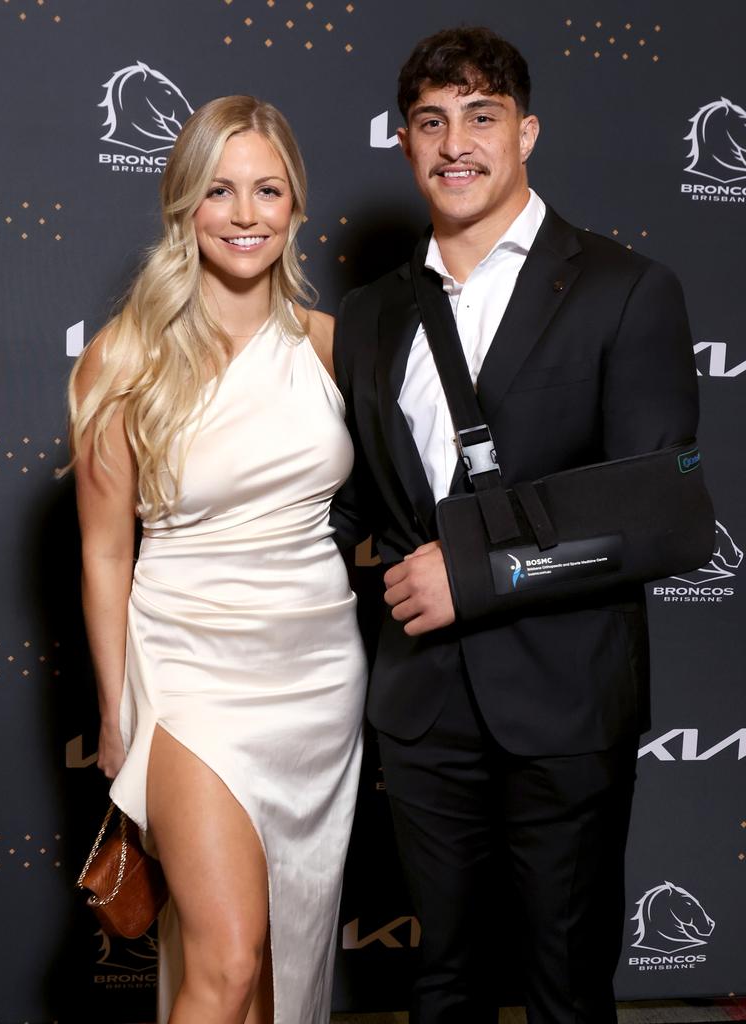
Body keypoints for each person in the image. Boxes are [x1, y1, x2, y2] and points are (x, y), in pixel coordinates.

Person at [331, 27, 701, 1024]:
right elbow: (355, 502)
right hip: (419, 708)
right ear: (405, 144)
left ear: (527, 132)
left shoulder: (627, 290)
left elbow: (666, 515)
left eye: (482, 116)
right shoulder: (369, 315)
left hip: (569, 704)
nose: (457, 143)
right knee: (441, 982)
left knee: (562, 989)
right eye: (432, 121)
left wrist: (478, 571)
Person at [68, 95, 366, 1024]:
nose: (245, 215)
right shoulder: (122, 361)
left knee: (279, 958)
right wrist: (118, 714)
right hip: (191, 677)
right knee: (228, 961)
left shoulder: (330, 348)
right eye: (220, 191)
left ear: (297, 207)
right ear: (183, 206)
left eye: (268, 190)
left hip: (317, 677)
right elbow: (104, 552)